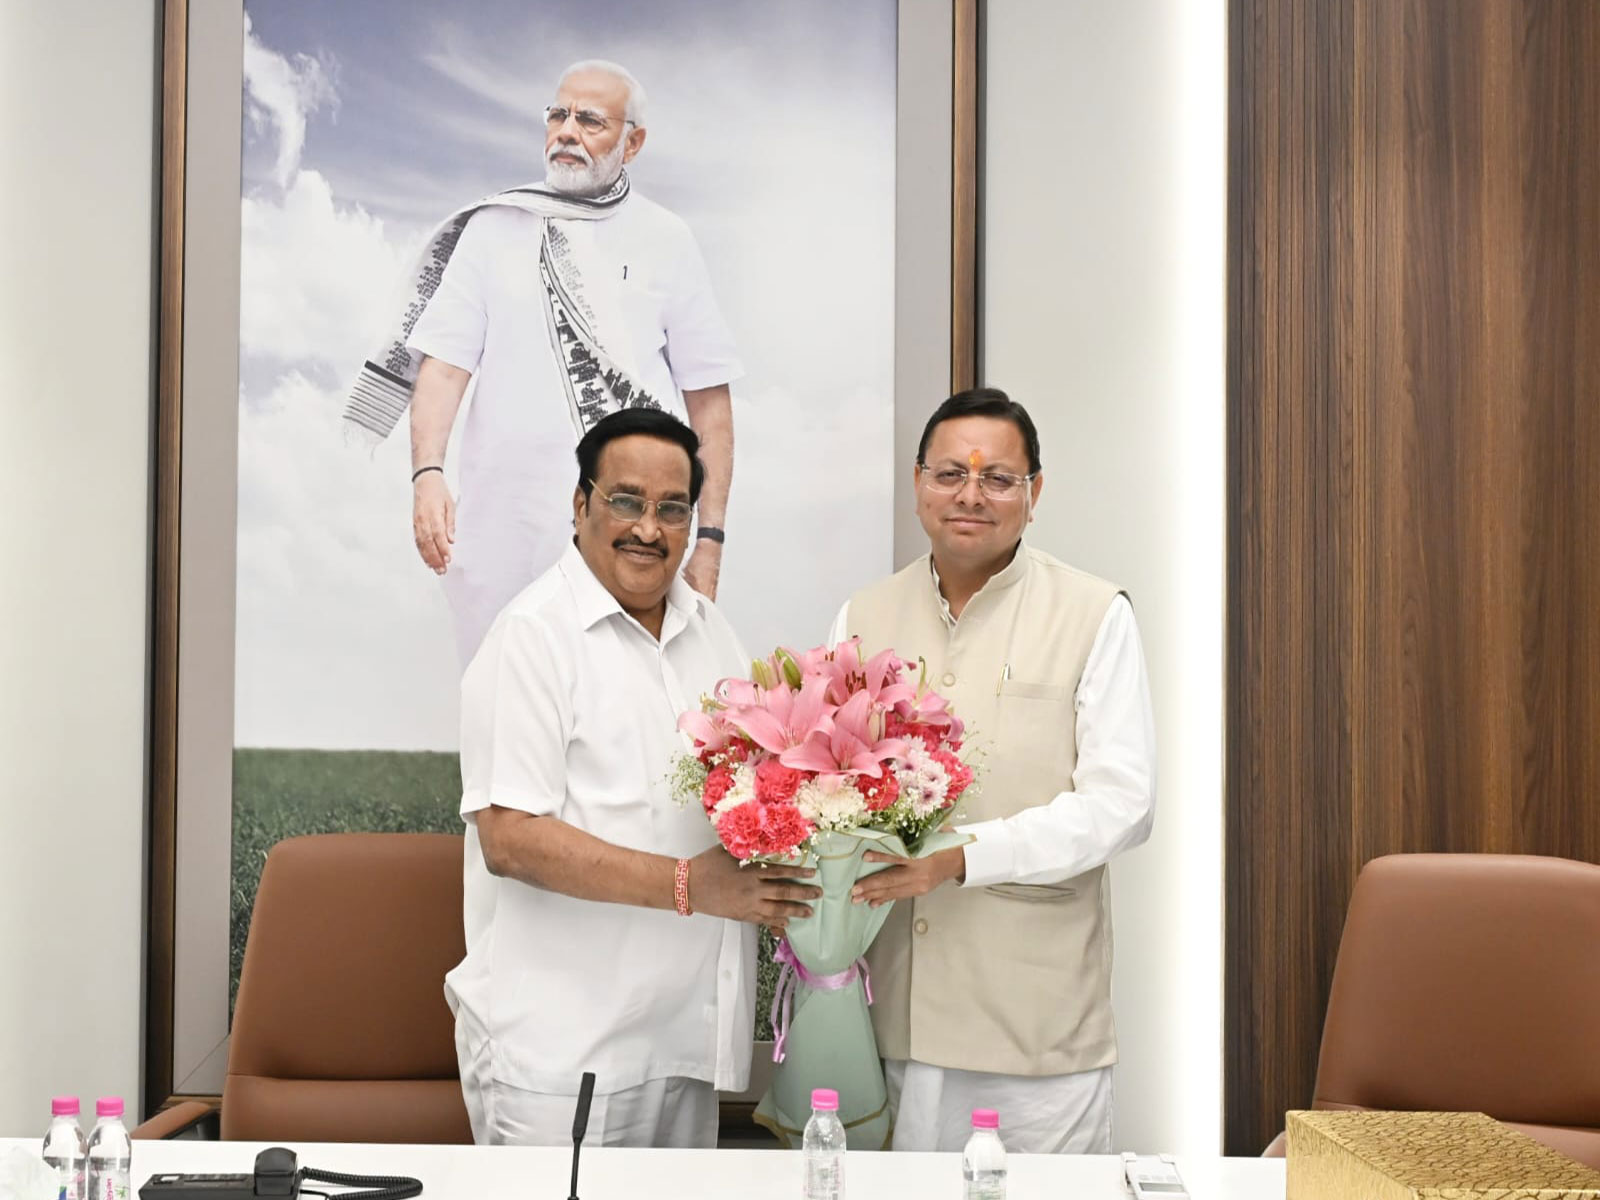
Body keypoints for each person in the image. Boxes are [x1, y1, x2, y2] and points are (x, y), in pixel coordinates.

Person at [445, 409, 818, 1147]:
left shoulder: (710, 630)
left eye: (672, 509)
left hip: (684, 1045)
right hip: (562, 1054)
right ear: (580, 504)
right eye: (625, 501)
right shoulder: (532, 637)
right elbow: (512, 841)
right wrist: (692, 885)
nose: (649, 527)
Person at [831, 387, 1156, 1154]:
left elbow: (1123, 805)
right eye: (949, 474)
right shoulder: (862, 617)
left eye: (998, 478)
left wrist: (962, 859)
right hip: (889, 1020)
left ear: (1034, 493)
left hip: (1033, 1029)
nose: (970, 495)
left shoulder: (1093, 612)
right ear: (917, 484)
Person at [346, 59, 740, 666]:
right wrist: (427, 474)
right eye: (557, 114)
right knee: (502, 725)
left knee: (625, 730)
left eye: (590, 119)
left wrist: (708, 541)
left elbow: (709, 406)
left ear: (632, 143)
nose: (566, 130)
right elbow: (445, 367)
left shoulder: (668, 239)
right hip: (504, 534)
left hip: (631, 536)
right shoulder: (494, 229)